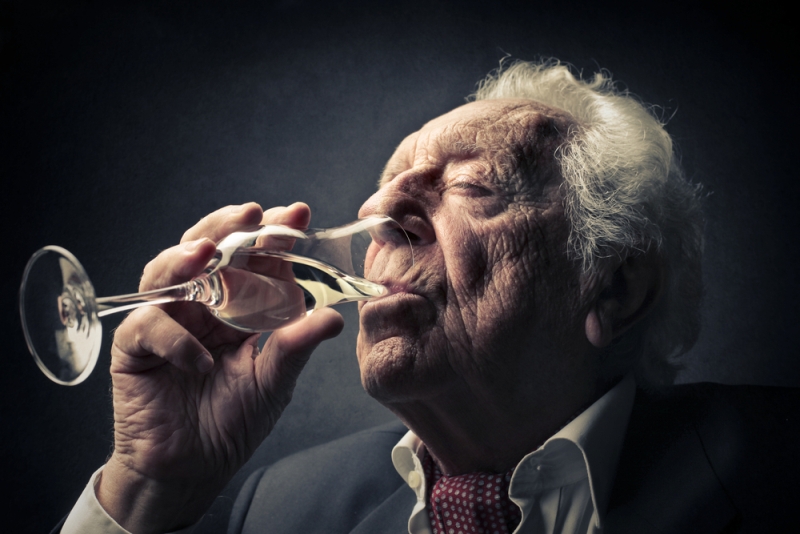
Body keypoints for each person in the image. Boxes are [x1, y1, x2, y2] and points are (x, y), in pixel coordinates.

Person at [56, 61, 798, 534]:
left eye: (470, 186)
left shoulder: (777, 467)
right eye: (387, 182)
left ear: (614, 285)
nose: (385, 208)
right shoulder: (284, 510)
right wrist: (147, 489)